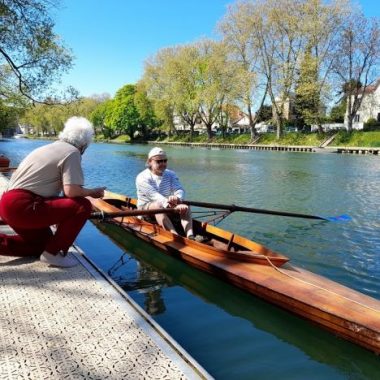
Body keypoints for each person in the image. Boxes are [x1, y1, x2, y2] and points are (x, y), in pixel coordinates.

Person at [0, 116, 106, 267]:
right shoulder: (73, 152)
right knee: (83, 206)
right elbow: (71, 192)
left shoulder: (48, 147)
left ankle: (45, 250)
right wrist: (92, 192)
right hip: (23, 206)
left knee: (42, 245)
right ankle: (53, 255)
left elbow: (62, 192)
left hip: (7, 205)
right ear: (84, 145)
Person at [136, 147, 202, 241]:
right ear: (150, 161)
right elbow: (154, 196)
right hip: (146, 210)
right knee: (158, 206)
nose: (163, 163)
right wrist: (171, 204)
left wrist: (177, 198)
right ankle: (175, 236)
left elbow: (179, 189)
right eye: (159, 161)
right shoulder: (142, 177)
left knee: (185, 204)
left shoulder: (171, 174)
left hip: (166, 205)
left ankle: (190, 236)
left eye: (165, 161)